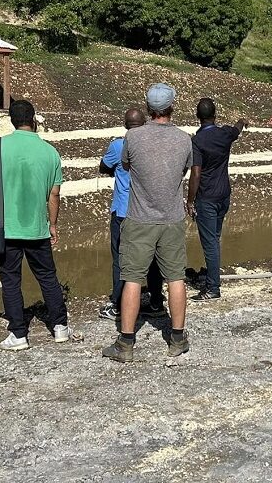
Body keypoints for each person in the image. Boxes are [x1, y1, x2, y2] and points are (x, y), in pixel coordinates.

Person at [0, 100, 80, 351]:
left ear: (12, 121)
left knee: (10, 280)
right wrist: (52, 224)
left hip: (6, 229)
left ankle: (18, 334)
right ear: (34, 120)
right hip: (37, 228)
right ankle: (60, 327)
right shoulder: (51, 152)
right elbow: (54, 195)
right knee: (47, 277)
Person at [102, 84, 192, 362]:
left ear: (148, 109)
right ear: (172, 107)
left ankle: (126, 344)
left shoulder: (133, 137)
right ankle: (177, 339)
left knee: (131, 278)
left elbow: (126, 166)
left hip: (139, 219)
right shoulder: (184, 139)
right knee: (176, 277)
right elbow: (184, 169)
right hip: (172, 219)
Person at [99, 108, 166, 321]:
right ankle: (156, 302)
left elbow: (104, 166)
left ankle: (118, 305)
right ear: (144, 122)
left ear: (125, 124)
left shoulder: (119, 144)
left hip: (124, 211)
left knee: (121, 259)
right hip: (150, 210)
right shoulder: (154, 144)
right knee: (154, 257)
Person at [186, 98, 247, 301]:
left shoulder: (197, 141)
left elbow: (195, 174)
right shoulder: (224, 134)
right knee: (215, 238)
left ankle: (213, 288)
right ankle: (211, 274)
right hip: (224, 195)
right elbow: (237, 129)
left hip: (207, 198)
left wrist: (190, 201)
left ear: (198, 117)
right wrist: (242, 120)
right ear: (215, 115)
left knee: (210, 242)